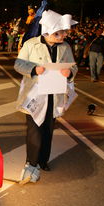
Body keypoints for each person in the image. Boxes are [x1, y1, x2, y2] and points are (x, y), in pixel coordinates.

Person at [14, 10, 78, 183]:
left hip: (54, 94)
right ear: (48, 31)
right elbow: (18, 64)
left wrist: (69, 72)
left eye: (64, 32)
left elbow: (74, 67)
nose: (63, 35)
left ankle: (43, 160)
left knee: (48, 128)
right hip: (35, 94)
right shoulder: (31, 44)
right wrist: (33, 69)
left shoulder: (65, 47)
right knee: (34, 129)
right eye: (59, 32)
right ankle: (31, 162)